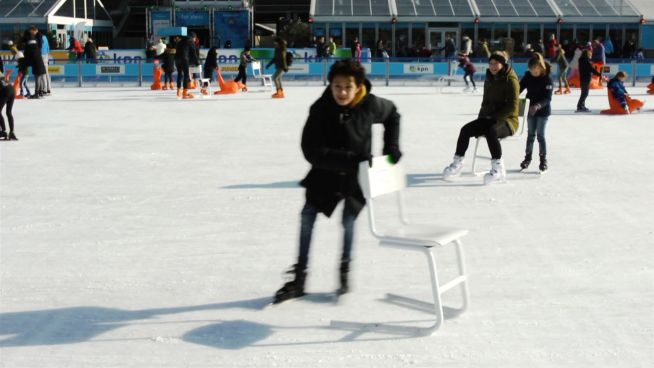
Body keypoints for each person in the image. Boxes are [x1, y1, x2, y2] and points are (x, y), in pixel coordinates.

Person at [272, 59, 402, 304]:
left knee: (348, 221)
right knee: (307, 217)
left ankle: (344, 270)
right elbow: (311, 150)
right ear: (330, 85)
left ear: (358, 86)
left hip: (356, 180)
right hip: (325, 175)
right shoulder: (320, 109)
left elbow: (393, 113)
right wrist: (351, 159)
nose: (342, 92)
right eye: (337, 86)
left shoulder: (370, 105)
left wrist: (391, 146)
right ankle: (299, 278)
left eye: (347, 87)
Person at [442, 51, 519, 185]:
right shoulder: (489, 78)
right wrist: (480, 120)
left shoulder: (511, 80)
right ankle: (458, 163)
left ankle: (497, 168)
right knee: (465, 129)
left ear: (503, 64)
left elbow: (512, 106)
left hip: (508, 121)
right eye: (491, 64)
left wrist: (494, 119)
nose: (493, 66)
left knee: (491, 130)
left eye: (496, 64)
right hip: (489, 119)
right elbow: (485, 103)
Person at [518, 53, 553, 173]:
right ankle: (527, 158)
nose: (534, 73)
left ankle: (543, 160)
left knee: (540, 135)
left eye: (536, 71)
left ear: (541, 68)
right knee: (530, 135)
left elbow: (547, 98)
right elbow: (519, 88)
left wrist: (538, 105)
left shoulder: (547, 79)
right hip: (530, 110)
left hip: (542, 111)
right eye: (531, 71)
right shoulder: (528, 76)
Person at [174, 32, 199, 99]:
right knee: (186, 75)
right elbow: (194, 54)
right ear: (193, 37)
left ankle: (178, 91)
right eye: (195, 39)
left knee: (179, 74)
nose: (194, 40)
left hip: (176, 59)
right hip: (184, 59)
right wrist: (197, 63)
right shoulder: (190, 41)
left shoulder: (180, 41)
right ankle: (185, 93)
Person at [38, 29, 51, 95]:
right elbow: (48, 48)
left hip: (42, 55)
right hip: (46, 55)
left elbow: (40, 47)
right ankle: (48, 89)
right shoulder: (45, 38)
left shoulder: (40, 38)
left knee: (42, 73)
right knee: (46, 73)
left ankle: (44, 89)